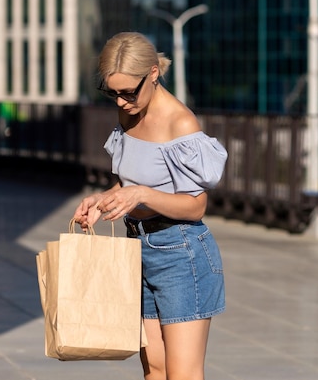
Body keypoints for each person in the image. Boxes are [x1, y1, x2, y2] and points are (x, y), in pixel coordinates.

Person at [73, 32, 228, 380]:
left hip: (181, 253)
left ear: (154, 73)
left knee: (182, 374)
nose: (122, 102)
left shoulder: (180, 123)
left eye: (129, 91)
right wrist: (104, 199)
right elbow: (132, 181)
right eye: (113, 93)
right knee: (154, 370)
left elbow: (196, 206)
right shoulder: (129, 113)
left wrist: (140, 195)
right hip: (136, 249)